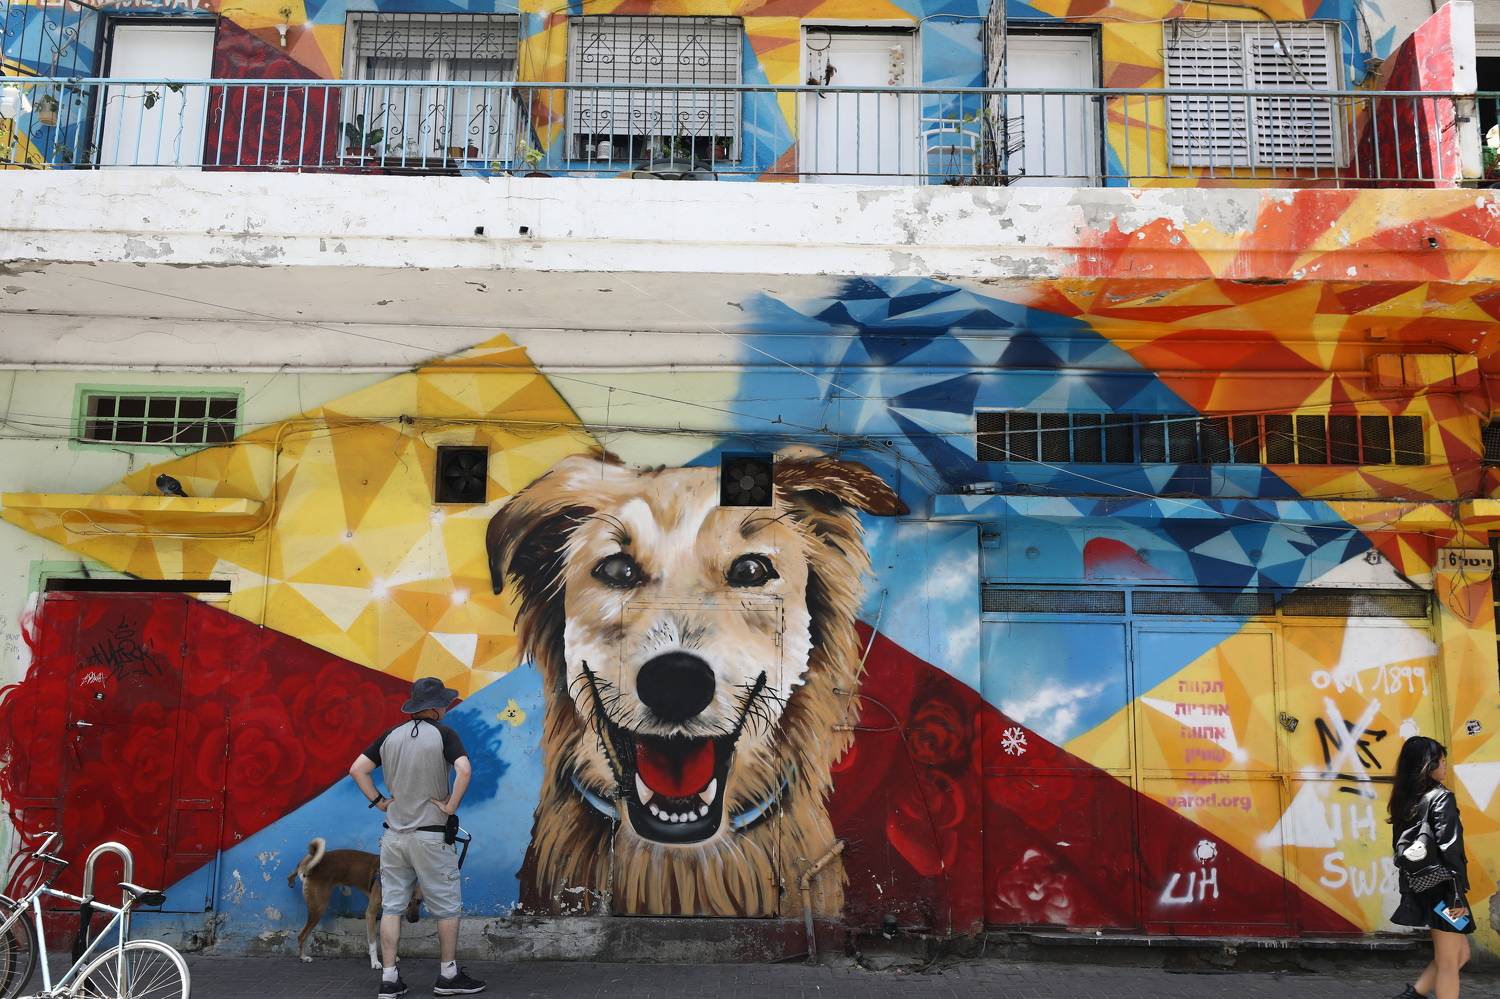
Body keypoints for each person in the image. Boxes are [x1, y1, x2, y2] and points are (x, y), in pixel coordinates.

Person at [350, 677, 486, 997]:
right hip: (431, 837)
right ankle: (448, 976)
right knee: (446, 907)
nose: (446, 708)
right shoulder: (445, 735)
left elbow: (357, 769)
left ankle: (389, 979)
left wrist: (379, 801)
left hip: (394, 837)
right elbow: (464, 770)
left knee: (392, 907)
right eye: (444, 704)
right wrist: (450, 806)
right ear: (436, 708)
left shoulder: (390, 736)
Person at [1389, 736, 1472, 999]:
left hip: (1424, 885)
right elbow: (1451, 848)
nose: (1445, 765)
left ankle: (1414, 995)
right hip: (1446, 889)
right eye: (1441, 760)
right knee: (1449, 962)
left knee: (1461, 954)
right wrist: (1457, 894)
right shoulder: (1441, 797)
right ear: (1427, 765)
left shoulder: (1404, 800)